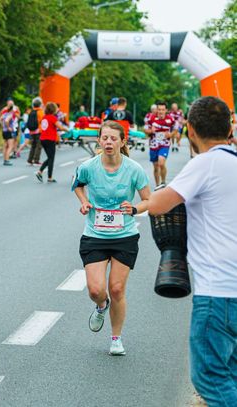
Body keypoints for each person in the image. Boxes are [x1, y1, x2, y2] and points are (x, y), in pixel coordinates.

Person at [148, 96, 237, 406]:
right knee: (231, 373)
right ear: (230, 129)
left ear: (190, 130)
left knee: (210, 378)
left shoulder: (205, 163)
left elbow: (159, 204)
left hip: (219, 292)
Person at [72, 120, 150, 356]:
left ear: (122, 141)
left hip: (124, 236)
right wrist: (84, 202)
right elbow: (78, 185)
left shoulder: (134, 169)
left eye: (113, 138)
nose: (108, 142)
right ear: (99, 140)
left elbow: (148, 200)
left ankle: (116, 339)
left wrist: (134, 209)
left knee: (116, 289)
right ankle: (101, 305)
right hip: (95, 235)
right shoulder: (88, 167)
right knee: (96, 290)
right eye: (104, 138)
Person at [144, 101, 176, 188]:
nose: (161, 111)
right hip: (153, 145)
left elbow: (176, 129)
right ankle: (157, 185)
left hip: (164, 144)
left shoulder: (170, 119)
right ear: (157, 110)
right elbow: (145, 130)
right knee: (155, 167)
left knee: (161, 163)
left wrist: (170, 134)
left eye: (163, 109)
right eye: (159, 109)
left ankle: (163, 182)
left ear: (166, 110)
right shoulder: (151, 118)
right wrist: (151, 131)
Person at [35, 102, 65, 183]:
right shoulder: (52, 118)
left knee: (50, 157)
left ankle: (41, 172)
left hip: (43, 139)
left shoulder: (44, 117)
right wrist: (68, 130)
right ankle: (48, 176)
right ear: (53, 109)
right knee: (51, 158)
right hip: (50, 139)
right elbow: (60, 127)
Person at [27, 97, 44, 166]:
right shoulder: (40, 112)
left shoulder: (31, 112)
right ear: (40, 105)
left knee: (33, 146)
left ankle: (30, 160)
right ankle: (36, 160)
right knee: (38, 146)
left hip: (32, 131)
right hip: (39, 131)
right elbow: (43, 121)